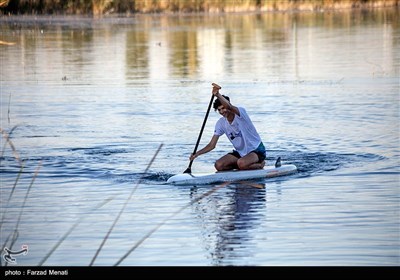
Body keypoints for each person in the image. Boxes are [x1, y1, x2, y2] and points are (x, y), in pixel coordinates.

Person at [189, 85, 266, 171]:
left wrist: (218, 94)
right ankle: (243, 165)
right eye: (219, 110)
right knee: (218, 165)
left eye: (223, 108)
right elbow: (212, 145)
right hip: (241, 153)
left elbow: (229, 106)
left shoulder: (240, 113)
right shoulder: (221, 123)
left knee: (241, 163)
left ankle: (260, 165)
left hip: (256, 150)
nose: (222, 112)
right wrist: (197, 154)